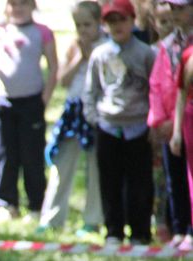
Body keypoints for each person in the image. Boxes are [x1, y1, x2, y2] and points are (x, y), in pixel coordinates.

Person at [83, 0, 156, 245]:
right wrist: (94, 118)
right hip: (108, 126)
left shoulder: (145, 53)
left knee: (140, 184)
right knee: (110, 183)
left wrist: (152, 121)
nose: (117, 26)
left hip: (138, 127)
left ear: (132, 21)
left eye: (122, 20)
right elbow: (90, 91)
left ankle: (140, 233)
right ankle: (113, 231)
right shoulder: (100, 54)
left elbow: (154, 90)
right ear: (105, 25)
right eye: (111, 21)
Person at [0, 0, 58, 222]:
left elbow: (53, 66)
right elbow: (1, 66)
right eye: (13, 3)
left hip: (31, 102)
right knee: (6, 154)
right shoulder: (0, 31)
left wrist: (45, 98)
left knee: (32, 155)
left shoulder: (42, 32)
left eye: (23, 3)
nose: (18, 7)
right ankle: (6, 203)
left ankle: (35, 204)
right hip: (3, 102)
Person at [37, 0, 105, 234]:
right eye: (79, 25)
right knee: (62, 163)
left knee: (96, 167)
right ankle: (52, 218)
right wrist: (80, 57)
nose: (83, 30)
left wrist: (93, 55)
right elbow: (63, 80)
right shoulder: (73, 46)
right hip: (73, 110)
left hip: (97, 111)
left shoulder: (107, 47)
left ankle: (93, 219)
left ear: (99, 23)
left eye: (88, 24)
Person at [149, 0, 193, 248]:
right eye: (173, 9)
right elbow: (157, 85)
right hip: (171, 124)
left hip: (189, 120)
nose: (176, 14)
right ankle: (179, 227)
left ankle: (191, 229)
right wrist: (160, 120)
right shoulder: (166, 47)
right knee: (173, 176)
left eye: (182, 8)